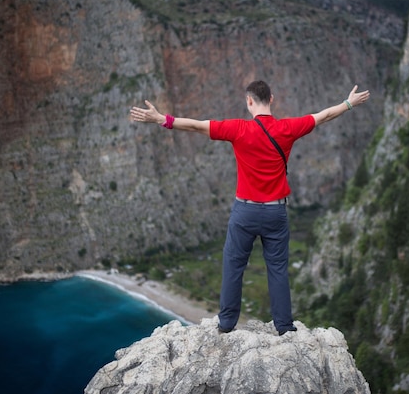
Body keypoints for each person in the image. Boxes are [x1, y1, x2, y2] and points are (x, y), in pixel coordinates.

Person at [129, 81, 370, 335]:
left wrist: (161, 119)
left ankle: (227, 323)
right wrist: (348, 104)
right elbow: (324, 116)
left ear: (249, 102)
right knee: (277, 269)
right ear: (272, 99)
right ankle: (284, 327)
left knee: (234, 265)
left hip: (245, 212)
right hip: (276, 212)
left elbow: (195, 125)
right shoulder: (288, 128)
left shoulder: (238, 129)